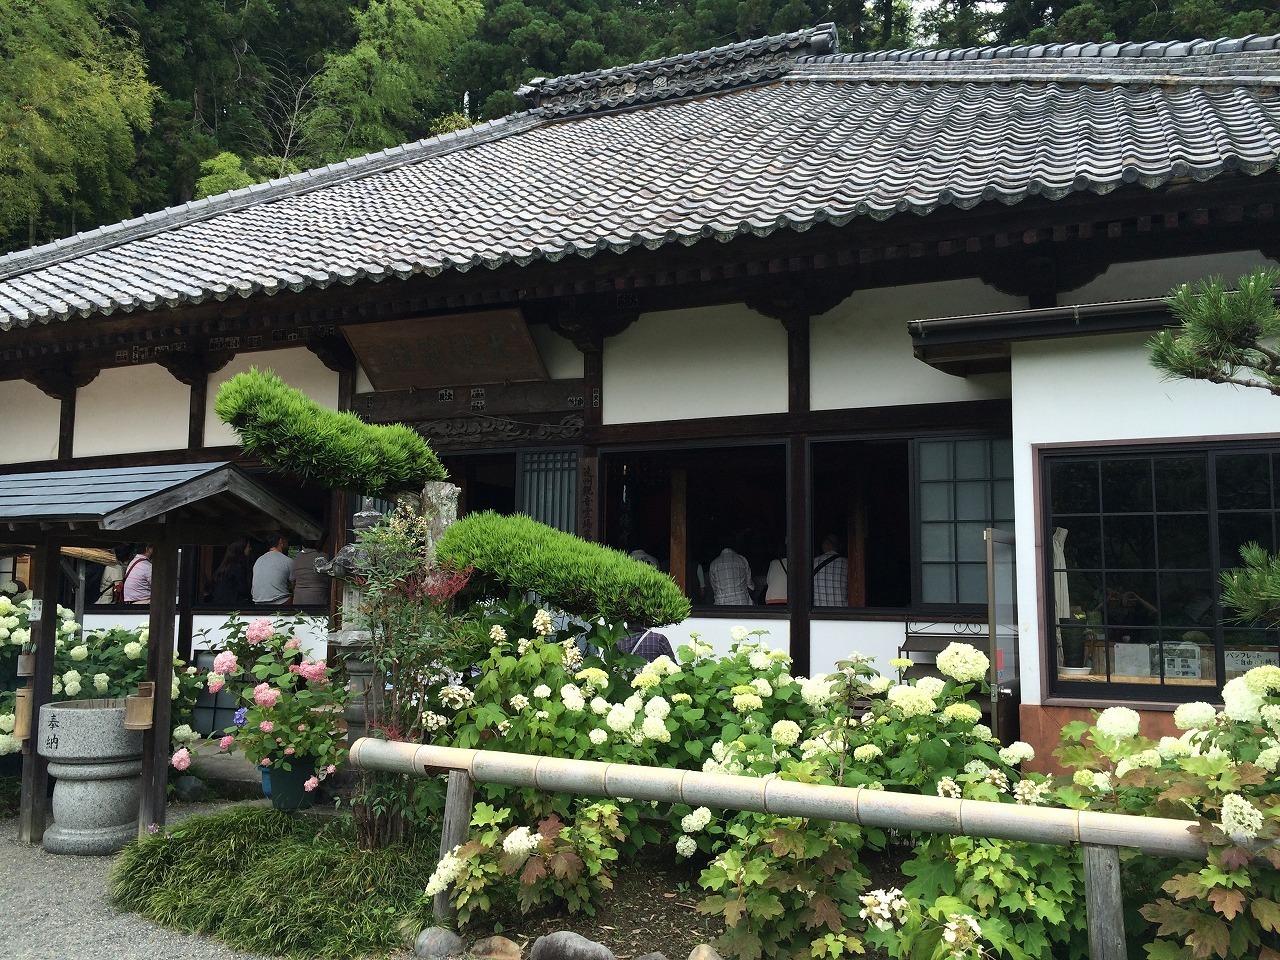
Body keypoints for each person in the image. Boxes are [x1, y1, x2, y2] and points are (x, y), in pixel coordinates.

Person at [252, 534, 294, 605]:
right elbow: (294, 586)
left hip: (258, 602)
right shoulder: (287, 560)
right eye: (287, 541)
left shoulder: (258, 560)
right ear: (281, 542)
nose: (288, 544)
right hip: (280, 602)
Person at [709, 537, 753, 605]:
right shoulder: (741, 560)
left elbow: (714, 588)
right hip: (742, 602)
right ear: (735, 545)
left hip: (721, 604)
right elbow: (750, 585)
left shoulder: (714, 564)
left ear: (719, 546)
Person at [210, 539, 252, 606]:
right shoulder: (238, 566)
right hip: (232, 603)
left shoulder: (225, 566)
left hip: (218, 603)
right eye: (248, 546)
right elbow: (243, 589)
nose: (250, 549)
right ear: (241, 548)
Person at [812, 533, 849, 607]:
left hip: (817, 613)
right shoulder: (848, 563)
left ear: (823, 545)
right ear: (840, 546)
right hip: (843, 612)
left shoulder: (812, 563)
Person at [290, 539, 330, 606]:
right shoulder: (324, 557)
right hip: (317, 597)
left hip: (299, 597)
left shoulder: (297, 558)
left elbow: (292, 581)